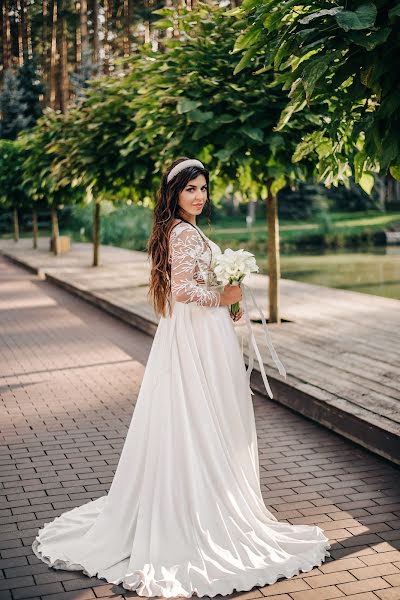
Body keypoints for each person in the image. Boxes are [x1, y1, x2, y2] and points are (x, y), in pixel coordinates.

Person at [32, 157, 331, 598]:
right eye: (190, 189)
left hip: (198, 331)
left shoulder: (180, 230)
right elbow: (183, 290)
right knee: (203, 413)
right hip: (197, 336)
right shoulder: (184, 232)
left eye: (204, 189)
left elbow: (192, 284)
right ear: (174, 193)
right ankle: (200, 508)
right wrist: (226, 292)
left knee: (197, 413)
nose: (199, 196)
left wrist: (229, 300)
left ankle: (202, 496)